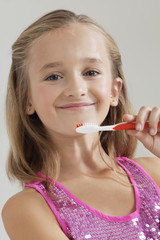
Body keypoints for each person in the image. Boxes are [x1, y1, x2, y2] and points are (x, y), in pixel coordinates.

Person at [1, 9, 160, 240]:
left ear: (114, 91)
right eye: (53, 76)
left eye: (91, 72)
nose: (76, 89)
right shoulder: (28, 209)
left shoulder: (154, 172)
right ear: (26, 98)